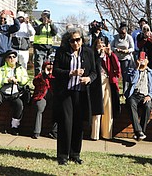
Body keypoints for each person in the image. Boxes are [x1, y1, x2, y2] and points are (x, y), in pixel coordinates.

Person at [53, 28, 97, 165]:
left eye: (78, 40)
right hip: (66, 93)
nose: (75, 43)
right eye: (72, 40)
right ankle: (62, 156)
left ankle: (75, 154)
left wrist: (88, 79)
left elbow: (94, 72)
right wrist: (70, 73)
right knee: (66, 123)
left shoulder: (88, 53)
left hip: (81, 93)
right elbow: (55, 70)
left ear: (82, 40)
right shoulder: (62, 52)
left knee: (78, 124)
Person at [0, 49, 30, 136]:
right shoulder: (1, 69)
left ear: (16, 59)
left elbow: (26, 79)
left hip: (15, 93)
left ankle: (14, 127)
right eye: (9, 57)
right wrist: (7, 80)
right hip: (2, 92)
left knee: (19, 105)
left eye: (14, 57)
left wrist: (18, 80)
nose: (12, 59)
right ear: (6, 59)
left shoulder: (21, 69)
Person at [90, 35, 121, 141]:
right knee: (97, 108)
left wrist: (110, 53)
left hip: (107, 81)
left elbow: (117, 68)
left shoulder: (110, 55)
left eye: (103, 43)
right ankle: (95, 134)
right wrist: (98, 53)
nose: (101, 45)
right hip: (96, 83)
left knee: (108, 107)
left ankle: (107, 133)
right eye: (99, 43)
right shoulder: (93, 54)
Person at [124, 51, 152, 141]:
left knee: (148, 106)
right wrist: (137, 68)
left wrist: (150, 96)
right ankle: (139, 131)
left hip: (146, 95)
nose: (142, 61)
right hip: (134, 95)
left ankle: (140, 132)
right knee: (131, 103)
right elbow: (131, 80)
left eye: (144, 59)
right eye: (140, 59)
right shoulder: (132, 70)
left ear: (147, 61)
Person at [31, 60, 57, 139]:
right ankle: (36, 132)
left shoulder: (55, 76)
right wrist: (44, 74)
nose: (50, 70)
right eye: (48, 68)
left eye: (51, 68)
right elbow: (35, 82)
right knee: (39, 108)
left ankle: (54, 132)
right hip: (41, 96)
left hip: (52, 97)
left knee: (57, 108)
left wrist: (51, 74)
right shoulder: (40, 76)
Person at [33, 10, 57, 75]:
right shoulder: (37, 22)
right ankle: (38, 82)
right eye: (44, 15)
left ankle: (45, 82)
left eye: (47, 15)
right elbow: (37, 31)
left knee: (47, 67)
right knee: (38, 67)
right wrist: (43, 24)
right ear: (41, 15)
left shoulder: (50, 24)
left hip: (48, 48)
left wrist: (51, 24)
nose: (45, 17)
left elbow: (54, 33)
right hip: (39, 47)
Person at [111, 25, 134, 92]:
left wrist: (127, 51)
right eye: (120, 33)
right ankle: (115, 89)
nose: (122, 35)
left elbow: (132, 48)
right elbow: (111, 46)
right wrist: (116, 49)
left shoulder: (129, 37)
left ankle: (125, 90)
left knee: (125, 75)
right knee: (115, 74)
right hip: (117, 58)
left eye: (123, 33)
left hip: (126, 58)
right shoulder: (115, 37)